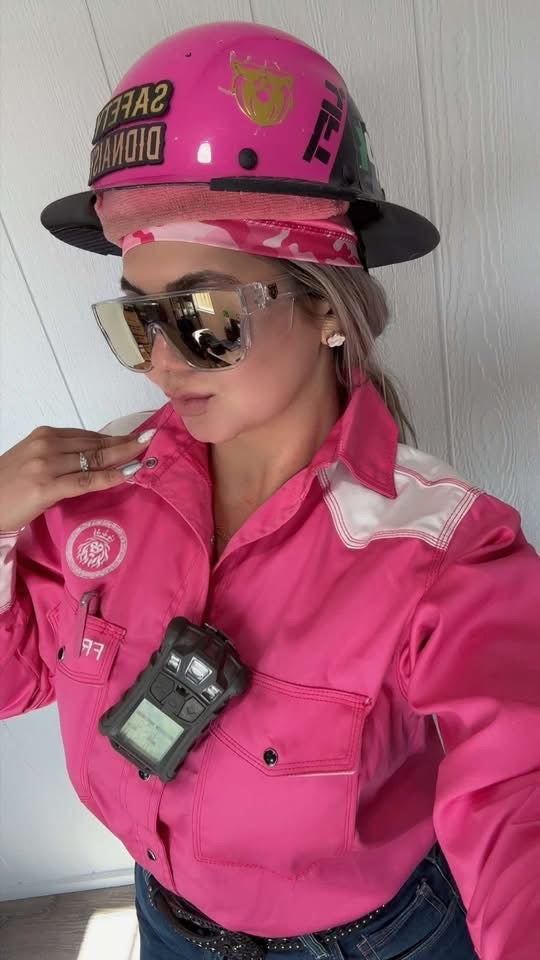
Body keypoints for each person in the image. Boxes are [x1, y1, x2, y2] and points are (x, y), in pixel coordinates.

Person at [1, 20, 538, 960]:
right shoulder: (90, 493)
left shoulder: (446, 554)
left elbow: (519, 798)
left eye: (202, 317)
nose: (160, 362)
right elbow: (17, 681)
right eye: (137, 320)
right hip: (165, 919)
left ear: (325, 305)